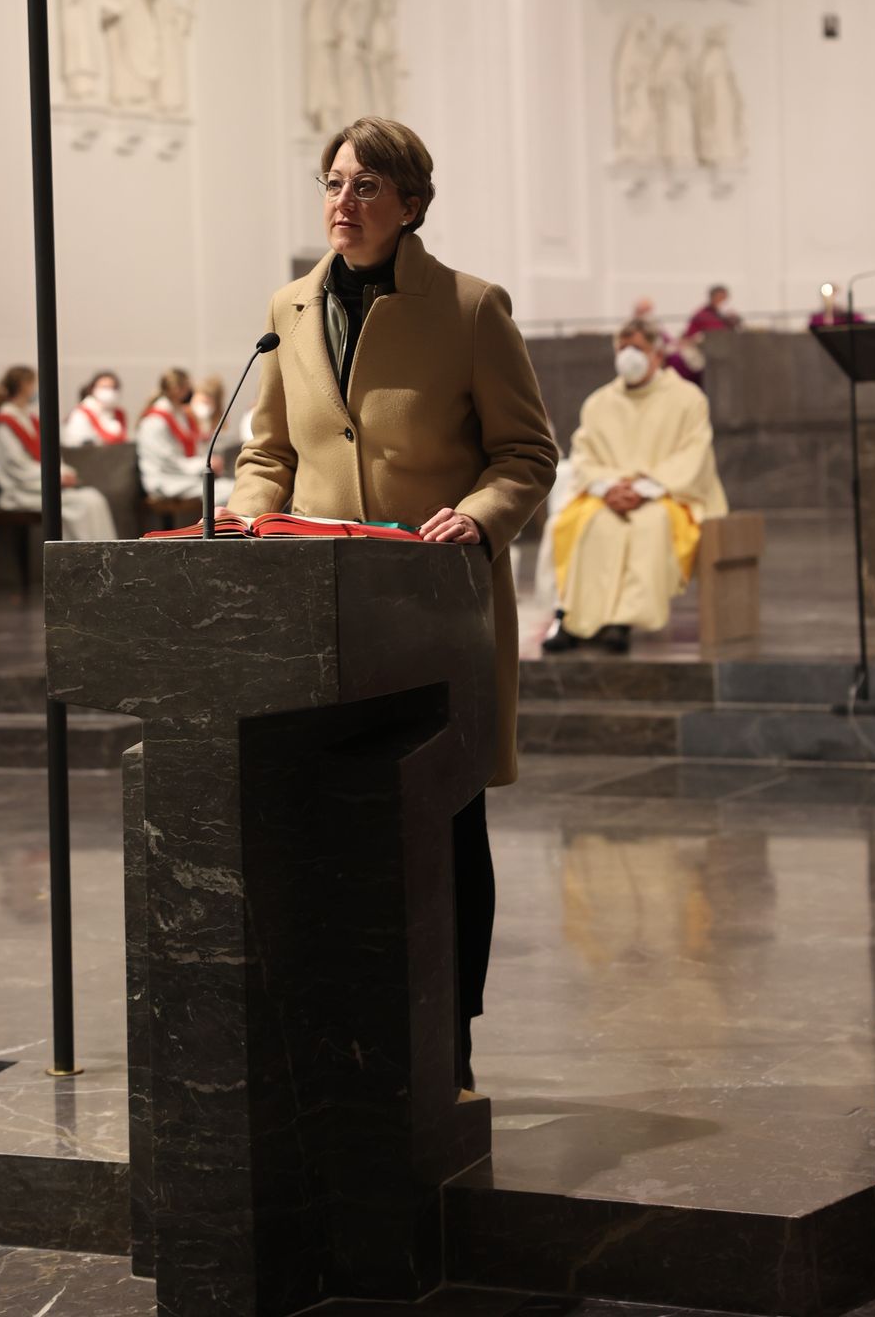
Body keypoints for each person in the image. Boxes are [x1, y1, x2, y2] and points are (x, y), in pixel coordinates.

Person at [226, 117, 557, 1091]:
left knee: (443, 824)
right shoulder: (289, 308)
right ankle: (346, 1044)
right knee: (332, 822)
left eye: (366, 186)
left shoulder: (468, 306)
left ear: (410, 203)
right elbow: (271, 451)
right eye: (334, 182)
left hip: (432, 609)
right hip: (321, 608)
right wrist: (250, 520)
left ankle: (447, 1041)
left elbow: (528, 453)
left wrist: (483, 515)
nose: (344, 201)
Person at [546, 317, 728, 656]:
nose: (629, 355)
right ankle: (574, 620)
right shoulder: (599, 402)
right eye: (622, 348)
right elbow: (585, 455)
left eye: (638, 348)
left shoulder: (688, 399)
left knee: (650, 525)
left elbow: (693, 453)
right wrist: (607, 489)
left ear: (658, 354)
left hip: (667, 494)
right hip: (608, 495)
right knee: (593, 525)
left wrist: (645, 489)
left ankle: (622, 621)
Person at [0, 366, 116, 542]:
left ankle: (104, 558)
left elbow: (47, 455)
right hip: (20, 491)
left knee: (94, 498)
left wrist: (62, 472)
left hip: (37, 483)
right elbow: (16, 465)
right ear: (23, 386)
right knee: (85, 504)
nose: (36, 389)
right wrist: (55, 476)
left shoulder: (26, 418)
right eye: (33, 384)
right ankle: (78, 560)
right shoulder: (4, 424)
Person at [137, 369, 233, 504]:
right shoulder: (154, 421)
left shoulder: (179, 415)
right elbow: (168, 462)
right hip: (165, 480)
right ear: (177, 390)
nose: (191, 392)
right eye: (188, 387)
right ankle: (216, 525)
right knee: (228, 491)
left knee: (233, 487)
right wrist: (202, 464)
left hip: (181, 476)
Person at [670, 283, 741, 385]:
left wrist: (733, 322)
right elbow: (689, 337)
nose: (724, 301)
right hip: (704, 360)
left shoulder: (726, 317)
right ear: (713, 297)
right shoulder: (702, 315)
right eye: (721, 298)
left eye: (725, 298)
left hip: (724, 359)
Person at [63, 372, 128, 447]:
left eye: (113, 387)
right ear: (93, 389)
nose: (109, 391)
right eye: (104, 387)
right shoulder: (82, 413)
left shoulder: (117, 413)